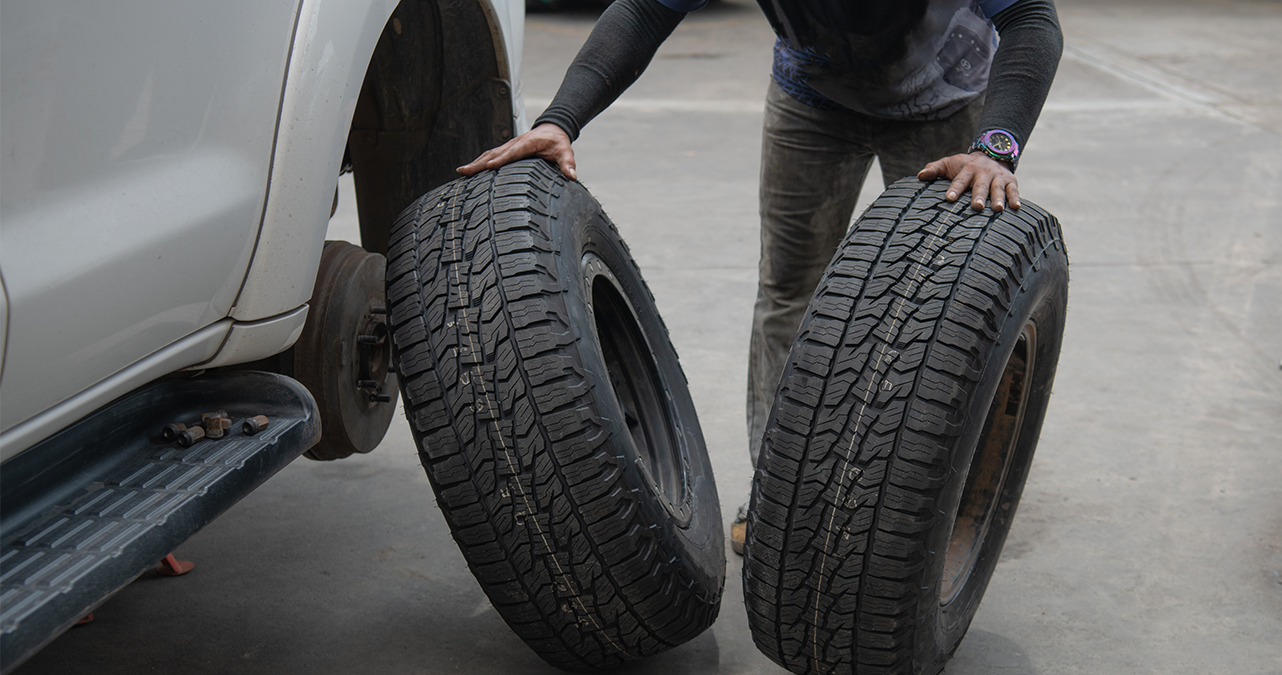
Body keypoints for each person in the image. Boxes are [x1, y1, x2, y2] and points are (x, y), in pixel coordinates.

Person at [459, 0, 1063, 555]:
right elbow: (644, 10)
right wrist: (562, 118)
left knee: (945, 311)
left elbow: (1032, 17)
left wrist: (997, 146)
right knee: (789, 294)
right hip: (812, 103)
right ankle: (783, 495)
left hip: (946, 105)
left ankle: (932, 500)